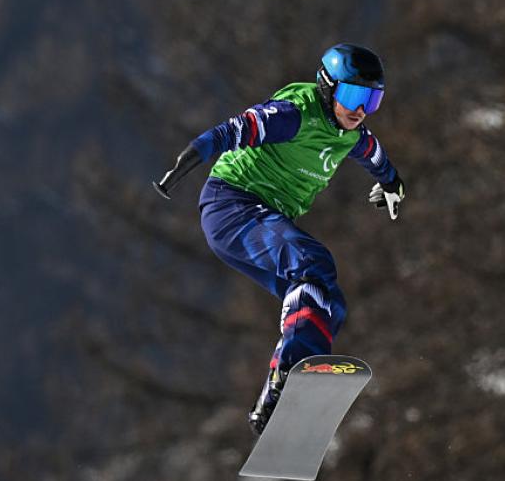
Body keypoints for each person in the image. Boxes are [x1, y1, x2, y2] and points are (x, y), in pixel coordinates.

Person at [153, 43, 406, 434]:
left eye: (372, 100)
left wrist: (391, 184)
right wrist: (188, 159)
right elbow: (231, 131)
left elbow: (375, 156)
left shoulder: (351, 135)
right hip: (232, 205)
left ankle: (276, 401)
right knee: (312, 262)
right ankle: (288, 371)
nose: (360, 110)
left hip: (260, 216)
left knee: (326, 300)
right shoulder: (294, 115)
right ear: (327, 86)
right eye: (353, 95)